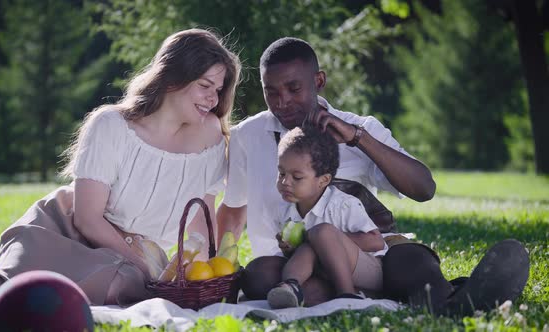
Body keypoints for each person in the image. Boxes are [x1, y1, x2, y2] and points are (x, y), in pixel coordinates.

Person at [217, 37, 529, 315]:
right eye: (271, 92)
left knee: (411, 261)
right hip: (297, 269)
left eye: (294, 89)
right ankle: (406, 297)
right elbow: (232, 211)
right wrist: (209, 264)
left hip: (371, 260)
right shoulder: (247, 136)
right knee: (258, 276)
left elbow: (424, 188)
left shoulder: (359, 128)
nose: (282, 102)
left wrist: (358, 139)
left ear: (319, 80)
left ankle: (450, 299)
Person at [0, 28, 241, 305]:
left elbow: (200, 222)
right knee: (0, 288)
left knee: (124, 285)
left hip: (132, 255)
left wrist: (202, 280)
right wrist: (144, 269)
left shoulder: (210, 135)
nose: (214, 99)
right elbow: (87, 219)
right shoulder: (111, 125)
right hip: (66, 232)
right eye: (205, 86)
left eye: (217, 90)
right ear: (171, 78)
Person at [266, 125, 387, 309]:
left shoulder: (342, 204)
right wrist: (289, 249)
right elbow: (302, 255)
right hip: (324, 272)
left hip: (368, 270)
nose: (285, 182)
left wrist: (326, 240)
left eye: (297, 177)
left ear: (323, 180)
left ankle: (348, 295)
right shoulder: (286, 211)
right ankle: (290, 287)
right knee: (262, 271)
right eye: (281, 173)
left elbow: (376, 241)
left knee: (320, 234)